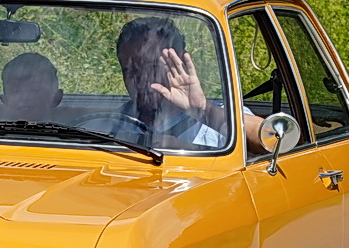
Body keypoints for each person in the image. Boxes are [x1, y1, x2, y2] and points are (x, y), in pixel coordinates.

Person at [114, 17, 267, 151]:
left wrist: (201, 109)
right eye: (131, 71)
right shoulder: (110, 122)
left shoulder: (216, 121)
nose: (142, 80)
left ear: (178, 63)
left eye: (151, 67)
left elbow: (269, 139)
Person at [0, 52, 63, 122]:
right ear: (5, 101)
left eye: (35, 90)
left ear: (56, 98)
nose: (24, 97)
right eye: (15, 91)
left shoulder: (69, 131)